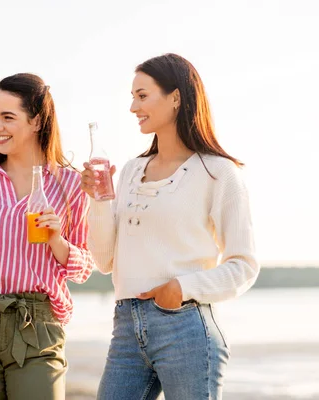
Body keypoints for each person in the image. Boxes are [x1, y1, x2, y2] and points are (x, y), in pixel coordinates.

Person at [82, 54, 260, 400]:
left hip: (185, 327)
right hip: (126, 328)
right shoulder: (132, 170)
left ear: (176, 97)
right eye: (133, 97)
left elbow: (244, 266)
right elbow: (104, 261)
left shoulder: (218, 173)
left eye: (143, 95)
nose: (133, 107)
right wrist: (98, 199)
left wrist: (180, 287)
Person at [0, 73, 96, 400]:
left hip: (39, 323)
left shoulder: (71, 186)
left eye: (7, 117)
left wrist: (57, 241)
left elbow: (84, 268)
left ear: (36, 121)